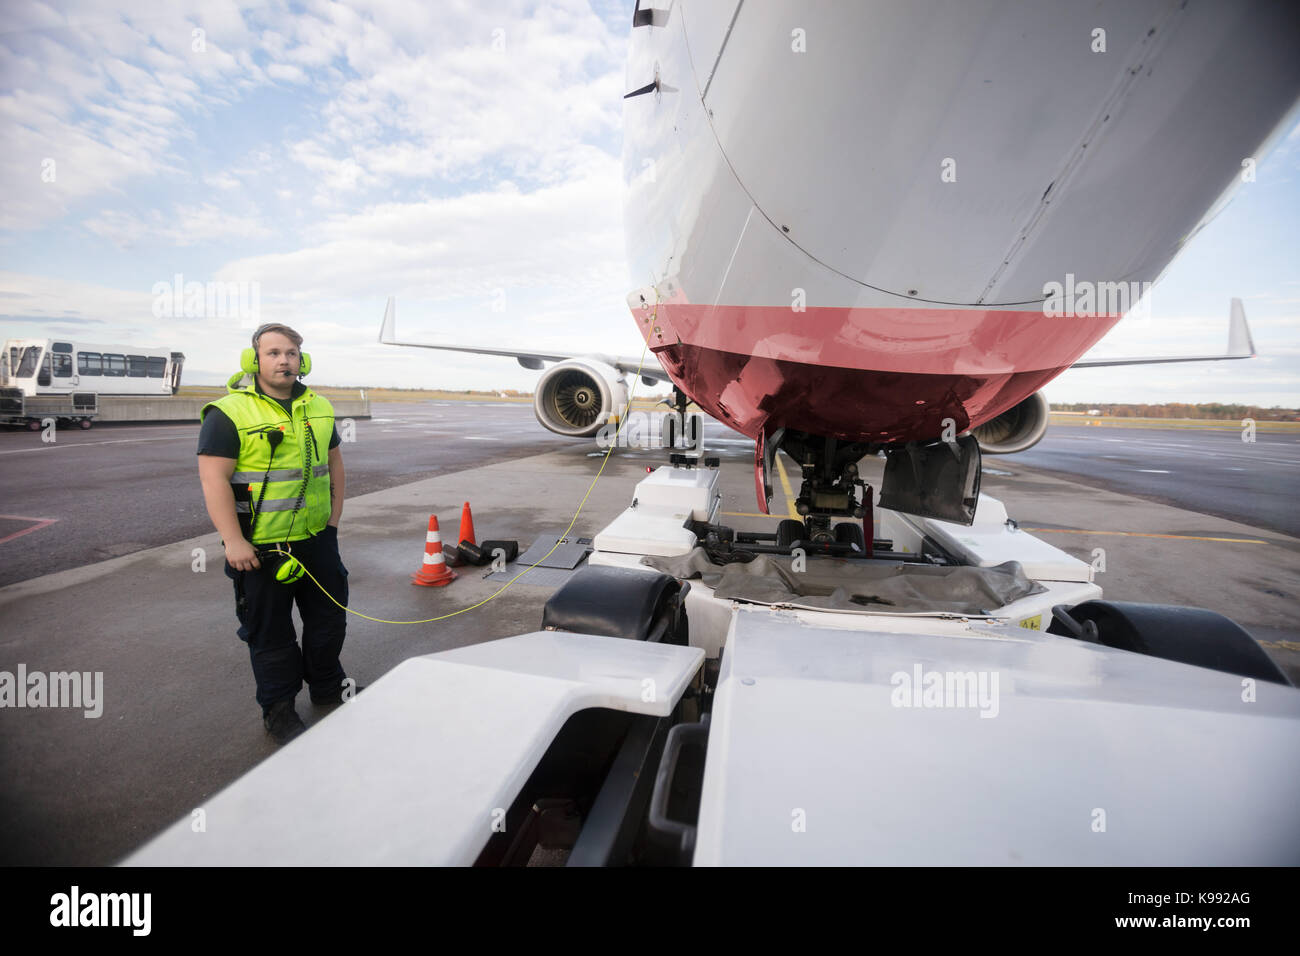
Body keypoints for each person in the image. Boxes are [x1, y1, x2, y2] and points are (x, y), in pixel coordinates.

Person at [196, 323, 356, 744]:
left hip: (317, 539)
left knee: (329, 621)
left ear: (302, 360)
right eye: (273, 353)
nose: (283, 360)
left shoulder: (320, 408)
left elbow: (334, 464)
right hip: (260, 549)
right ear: (254, 360)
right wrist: (233, 541)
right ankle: (279, 708)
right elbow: (213, 480)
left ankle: (326, 686)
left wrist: (333, 522)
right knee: (272, 635)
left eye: (291, 353)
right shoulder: (228, 413)